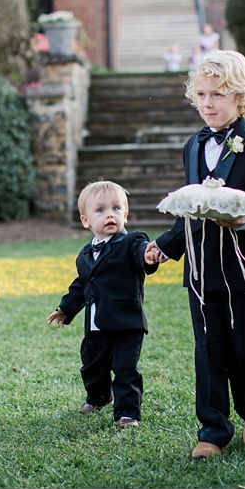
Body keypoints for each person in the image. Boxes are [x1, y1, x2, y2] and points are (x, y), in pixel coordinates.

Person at [145, 51, 245, 459]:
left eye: (218, 95)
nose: (208, 103)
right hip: (201, 270)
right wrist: (164, 246)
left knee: (244, 346)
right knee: (208, 348)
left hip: (243, 269)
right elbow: (190, 211)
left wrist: (242, 221)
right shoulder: (192, 146)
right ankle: (212, 430)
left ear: (241, 97)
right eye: (202, 94)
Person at [47, 181, 159, 429]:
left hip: (127, 323)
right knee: (92, 365)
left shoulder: (132, 242)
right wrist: (66, 308)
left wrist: (148, 256)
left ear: (125, 214)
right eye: (100, 210)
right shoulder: (85, 254)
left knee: (125, 368)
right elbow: (81, 285)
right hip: (96, 325)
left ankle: (127, 413)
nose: (110, 215)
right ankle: (98, 397)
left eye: (116, 208)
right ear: (85, 220)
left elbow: (141, 253)